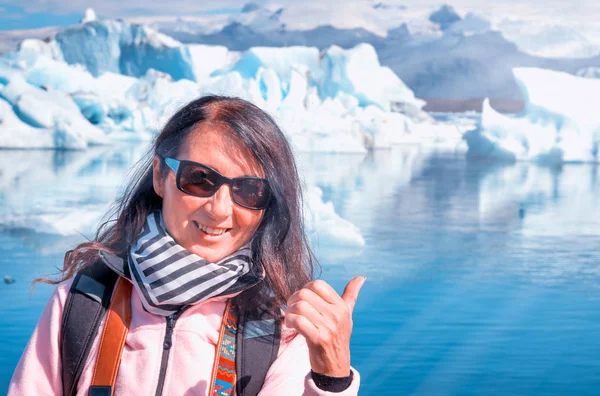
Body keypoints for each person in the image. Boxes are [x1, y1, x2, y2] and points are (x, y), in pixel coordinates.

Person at [9, 95, 364, 395]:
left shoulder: (281, 326)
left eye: (249, 190)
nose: (219, 209)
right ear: (161, 177)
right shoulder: (86, 300)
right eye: (199, 179)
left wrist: (331, 378)